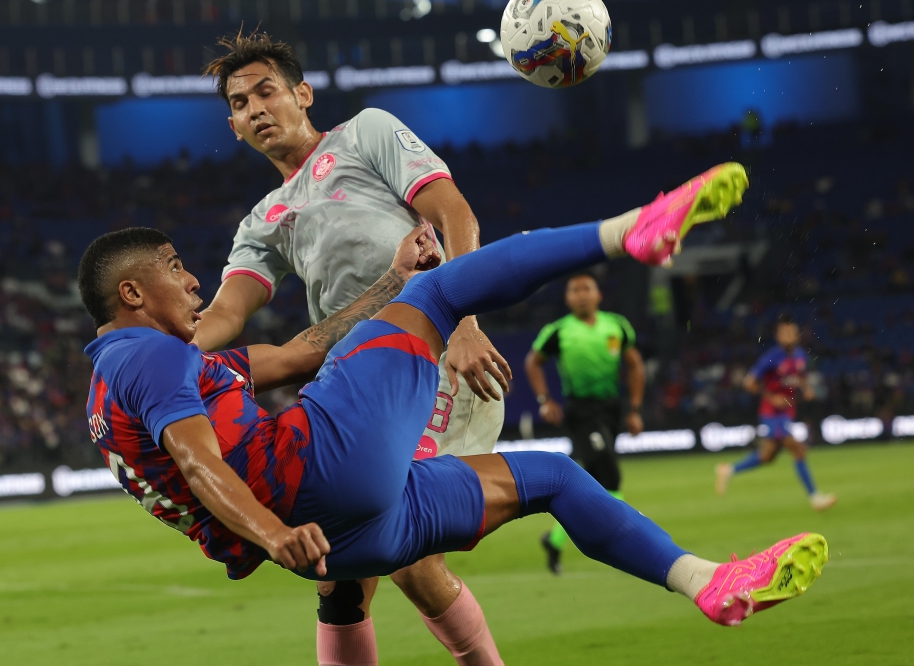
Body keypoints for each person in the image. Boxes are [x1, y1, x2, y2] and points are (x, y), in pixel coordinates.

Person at [80, 163, 827, 638]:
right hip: (314, 474)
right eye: (176, 268)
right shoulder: (147, 352)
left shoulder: (133, 379)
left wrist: (386, 283)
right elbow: (196, 457)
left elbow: (298, 354)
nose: (194, 283)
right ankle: (634, 230)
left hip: (345, 537)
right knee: (441, 293)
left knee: (551, 478)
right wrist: (274, 529)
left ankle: (706, 581)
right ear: (132, 291)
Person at [194, 29, 509, 665]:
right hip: (354, 386)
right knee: (342, 572)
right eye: (238, 103)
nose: (255, 108)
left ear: (303, 95)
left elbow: (455, 216)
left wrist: (466, 321)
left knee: (401, 551)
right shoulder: (263, 221)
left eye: (266, 92)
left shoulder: (366, 134)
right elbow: (228, 309)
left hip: (433, 362)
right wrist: (161, 345)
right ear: (232, 126)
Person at [524, 273, 645, 575]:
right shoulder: (558, 331)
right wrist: (544, 400)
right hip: (581, 411)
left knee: (591, 481)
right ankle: (627, 536)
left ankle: (554, 539)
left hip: (611, 409)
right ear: (567, 299)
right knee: (610, 475)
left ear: (598, 295)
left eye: (586, 289)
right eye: (574, 290)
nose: (580, 295)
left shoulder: (616, 326)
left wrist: (634, 409)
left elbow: (634, 365)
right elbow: (533, 362)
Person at [715, 316, 836, 510]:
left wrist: (806, 389)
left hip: (787, 410)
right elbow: (749, 382)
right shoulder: (771, 357)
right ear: (778, 336)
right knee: (797, 449)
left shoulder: (800, 356)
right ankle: (815, 497)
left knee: (767, 456)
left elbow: (800, 377)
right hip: (771, 412)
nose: (788, 336)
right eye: (784, 332)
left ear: (797, 335)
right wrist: (771, 397)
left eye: (792, 332)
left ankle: (728, 469)